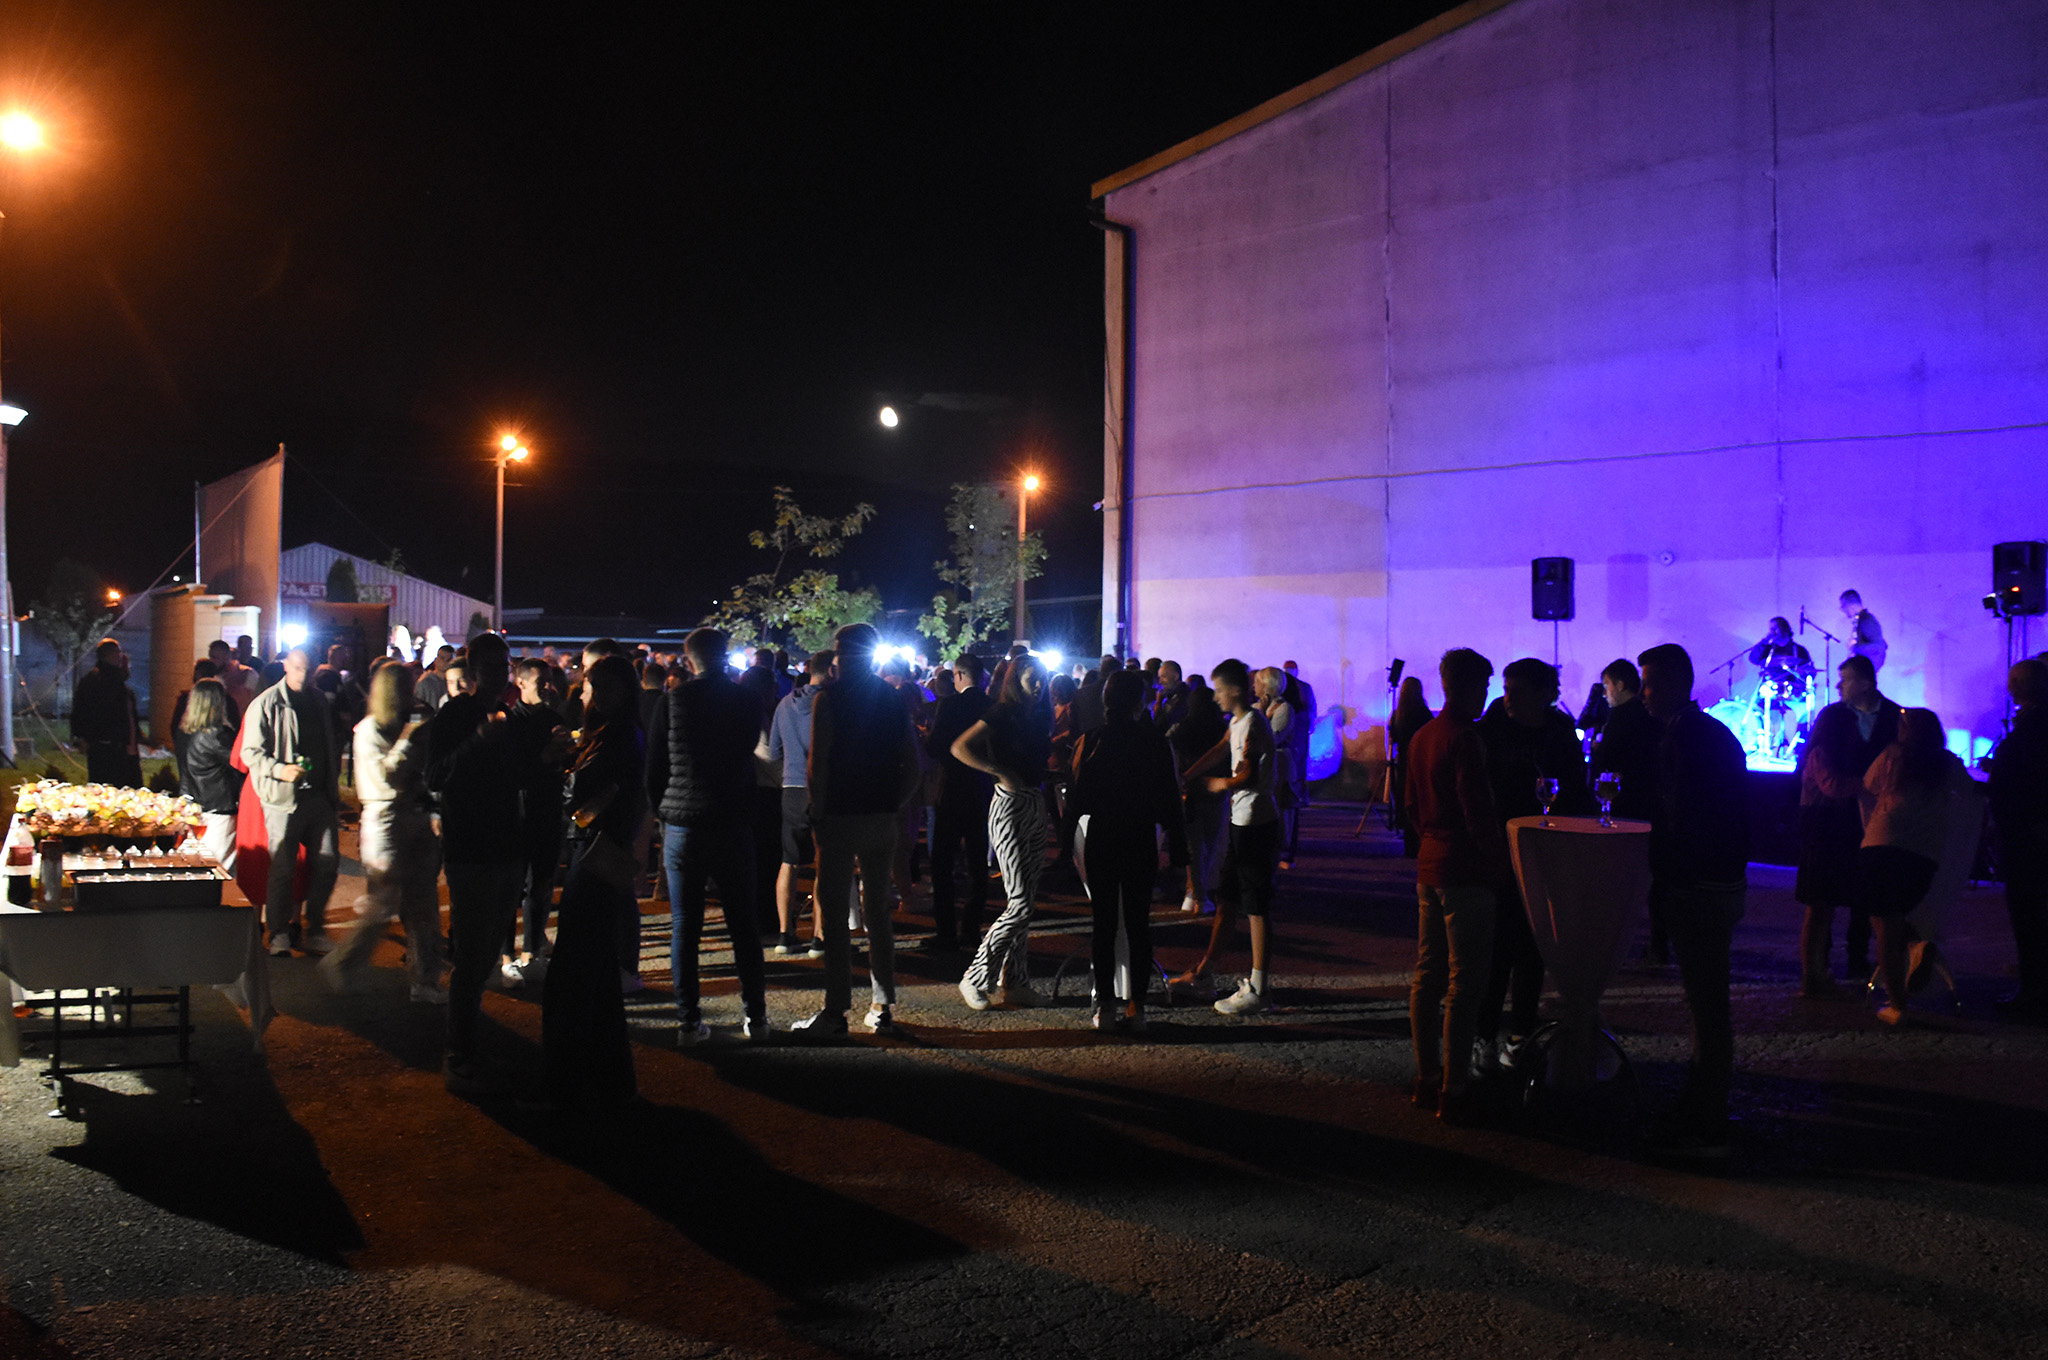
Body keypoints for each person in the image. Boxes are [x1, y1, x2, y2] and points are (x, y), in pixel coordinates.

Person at [428, 632, 566, 1093]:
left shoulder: (507, 717)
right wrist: (477, 741)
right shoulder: (457, 715)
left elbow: (519, 776)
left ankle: (470, 1042)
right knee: (471, 955)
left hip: (508, 846)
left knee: (487, 951)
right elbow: (436, 775)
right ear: (473, 670)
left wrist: (547, 758)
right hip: (470, 849)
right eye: (489, 665)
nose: (498, 673)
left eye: (503, 664)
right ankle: (458, 1050)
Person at [1638, 643, 1750, 1157]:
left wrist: (1671, 876)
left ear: (1674, 684)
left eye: (1650, 683)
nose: (1644, 694)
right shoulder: (1711, 734)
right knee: (1707, 1001)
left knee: (1707, 1003)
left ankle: (1707, 1119)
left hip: (1699, 885)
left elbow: (1683, 817)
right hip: (1720, 881)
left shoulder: (1683, 738)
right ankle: (1700, 1105)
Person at [645, 627, 773, 1045]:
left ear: (689, 659)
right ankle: (756, 1016)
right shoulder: (746, 700)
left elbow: (655, 767)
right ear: (725, 654)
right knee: (743, 923)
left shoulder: (672, 700)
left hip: (684, 822)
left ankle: (688, 1021)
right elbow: (749, 753)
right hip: (732, 818)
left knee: (685, 926)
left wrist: (663, 811)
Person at [799, 622, 922, 1037]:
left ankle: (836, 1011)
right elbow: (913, 763)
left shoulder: (829, 698)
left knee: (835, 915)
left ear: (842, 654)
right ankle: (882, 1004)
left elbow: (818, 762)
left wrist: (817, 810)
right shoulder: (892, 697)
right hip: (880, 817)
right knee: (878, 913)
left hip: (839, 816)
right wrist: (894, 804)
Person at [539, 654, 645, 1107]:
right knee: (597, 977)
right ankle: (609, 1081)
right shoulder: (613, 732)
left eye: (603, 686)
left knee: (573, 974)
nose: (595, 695)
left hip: (597, 853)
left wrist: (555, 763)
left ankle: (566, 1083)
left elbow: (578, 794)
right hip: (599, 851)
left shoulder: (618, 735)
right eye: (592, 686)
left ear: (625, 690)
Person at [1404, 648, 1505, 1123]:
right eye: (1483, 685)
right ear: (1467, 686)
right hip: (1465, 868)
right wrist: (1497, 863)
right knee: (1465, 983)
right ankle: (1456, 1086)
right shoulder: (1466, 738)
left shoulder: (1423, 735)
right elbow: (1477, 811)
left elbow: (1410, 805)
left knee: (1428, 974)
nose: (1486, 694)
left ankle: (1427, 1078)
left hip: (1430, 862)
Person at [1476, 657, 1587, 1072]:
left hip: (1543, 852)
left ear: (1544, 694)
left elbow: (1576, 789)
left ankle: (1521, 1035)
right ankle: (1484, 1037)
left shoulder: (1558, 732)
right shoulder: (1492, 727)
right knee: (1495, 952)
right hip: (1501, 852)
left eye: (1518, 692)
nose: (1508, 699)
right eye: (1506, 690)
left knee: (1531, 949)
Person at [1066, 669, 1189, 1031]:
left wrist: (1064, 847)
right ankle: (1138, 1007)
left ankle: (1105, 1005)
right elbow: (1171, 799)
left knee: (1103, 922)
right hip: (1139, 835)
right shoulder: (1155, 742)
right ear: (1139, 702)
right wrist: (1179, 850)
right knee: (1138, 924)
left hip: (1102, 835)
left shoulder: (1091, 740)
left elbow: (1075, 800)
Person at [321, 664, 444, 1001]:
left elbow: (423, 776)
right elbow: (386, 777)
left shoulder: (406, 724)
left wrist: (432, 809)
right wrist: (408, 739)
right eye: (406, 687)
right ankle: (343, 963)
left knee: (423, 902)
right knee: (383, 902)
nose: (412, 694)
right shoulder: (370, 730)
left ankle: (425, 980)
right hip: (385, 820)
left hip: (413, 815)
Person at [1170, 659, 1283, 1017]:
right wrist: (1188, 775)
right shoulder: (1237, 722)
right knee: (1228, 898)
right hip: (1242, 821)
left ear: (1234, 690)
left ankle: (1260, 988)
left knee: (1256, 905)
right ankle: (1206, 973)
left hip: (1255, 823)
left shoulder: (1252, 723)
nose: (1215, 696)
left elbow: (1248, 775)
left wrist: (1219, 784)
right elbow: (1222, 747)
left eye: (1219, 689)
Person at [951, 653, 1054, 1011]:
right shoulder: (1002, 712)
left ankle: (1016, 982)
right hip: (1008, 806)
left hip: (1034, 803)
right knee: (1021, 904)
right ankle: (976, 976)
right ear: (1015, 680)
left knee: (1024, 902)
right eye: (1031, 678)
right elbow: (959, 747)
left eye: (1042, 678)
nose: (1039, 685)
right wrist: (998, 771)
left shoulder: (1039, 715)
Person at [1859, 708, 1972, 1026]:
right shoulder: (1947, 763)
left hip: (1880, 845)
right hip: (1921, 856)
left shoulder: (1892, 755)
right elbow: (1970, 792)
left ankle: (1898, 1005)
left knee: (1884, 929)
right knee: (1898, 918)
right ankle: (1917, 947)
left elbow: (1868, 784)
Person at [1794, 654, 1900, 991]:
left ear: (1866, 683)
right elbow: (1825, 776)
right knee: (1822, 897)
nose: (1840, 685)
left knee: (1863, 891)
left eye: (1847, 679)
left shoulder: (1894, 716)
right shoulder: (1833, 717)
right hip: (1830, 816)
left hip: (1870, 816)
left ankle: (1855, 958)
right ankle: (1818, 967)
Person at [241, 645, 343, 956]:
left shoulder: (317, 700)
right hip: (283, 799)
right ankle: (279, 933)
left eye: (309, 670)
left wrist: (332, 785)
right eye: (298, 668)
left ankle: (314, 928)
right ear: (286, 665)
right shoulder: (266, 703)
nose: (303, 675)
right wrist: (280, 770)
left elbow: (328, 741)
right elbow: (250, 752)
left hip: (318, 794)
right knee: (283, 868)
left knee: (327, 861)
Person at [1989, 659, 2048, 1023]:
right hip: (2033, 831)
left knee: (2029, 916)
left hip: (2027, 837)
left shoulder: (2029, 731)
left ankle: (2034, 989)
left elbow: (2019, 784)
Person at [926, 651, 993, 952]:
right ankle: (971, 927)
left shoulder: (950, 705)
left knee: (943, 862)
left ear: (959, 675)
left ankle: (946, 931)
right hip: (983, 789)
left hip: (952, 788)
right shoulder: (993, 706)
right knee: (978, 862)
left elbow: (935, 747)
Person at [768, 650, 833, 956]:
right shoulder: (832, 703)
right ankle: (819, 937)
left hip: (791, 786)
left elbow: (774, 751)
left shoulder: (785, 703)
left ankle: (785, 934)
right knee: (824, 863)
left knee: (789, 860)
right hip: (823, 788)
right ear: (831, 671)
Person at [507, 658, 568, 980]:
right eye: (539, 681)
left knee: (542, 884)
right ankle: (506, 955)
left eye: (548, 681)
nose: (546, 687)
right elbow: (511, 771)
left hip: (548, 809)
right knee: (512, 885)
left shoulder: (554, 719)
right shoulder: (510, 721)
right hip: (517, 813)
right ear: (521, 683)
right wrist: (544, 756)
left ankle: (532, 950)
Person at [1169, 680, 1230, 914]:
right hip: (1215, 789)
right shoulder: (1222, 729)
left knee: (1193, 847)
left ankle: (1193, 893)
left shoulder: (1180, 730)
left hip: (1189, 791)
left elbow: (1169, 753)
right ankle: (1200, 892)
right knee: (1211, 845)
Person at [178, 678, 243, 872]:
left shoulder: (184, 733)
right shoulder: (218, 735)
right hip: (220, 808)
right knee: (215, 869)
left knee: (193, 867)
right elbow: (241, 764)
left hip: (194, 807)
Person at [72, 638, 143, 787]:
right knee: (115, 786)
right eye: (118, 653)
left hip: (104, 745)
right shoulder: (108, 681)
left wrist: (81, 736)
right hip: (111, 745)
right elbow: (120, 714)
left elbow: (78, 711)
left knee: (104, 785)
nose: (121, 657)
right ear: (110, 655)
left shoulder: (92, 680)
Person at [1255, 667, 1306, 869]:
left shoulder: (1284, 708)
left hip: (1279, 763)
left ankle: (1281, 853)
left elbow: (1272, 737)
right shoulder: (1257, 706)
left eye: (1258, 682)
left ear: (1267, 685)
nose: (1254, 686)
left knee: (1281, 809)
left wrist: (1260, 715)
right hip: (1264, 762)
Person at [1388, 675, 1435, 859]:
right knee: (1420, 800)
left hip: (1403, 762)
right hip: (1420, 760)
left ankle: (1408, 844)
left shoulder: (1398, 714)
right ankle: (1419, 841)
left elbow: (1394, 737)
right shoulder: (1423, 713)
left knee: (1405, 799)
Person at [1840, 589, 1886, 674]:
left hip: (1866, 671)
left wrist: (1855, 647)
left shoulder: (1867, 620)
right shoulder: (1859, 620)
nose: (1842, 609)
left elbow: (1879, 646)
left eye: (1843, 606)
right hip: (1862, 669)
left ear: (1850, 605)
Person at [415, 644, 456, 712]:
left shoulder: (454, 682)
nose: (445, 662)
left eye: (449, 659)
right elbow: (417, 706)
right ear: (436, 660)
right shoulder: (424, 682)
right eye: (442, 658)